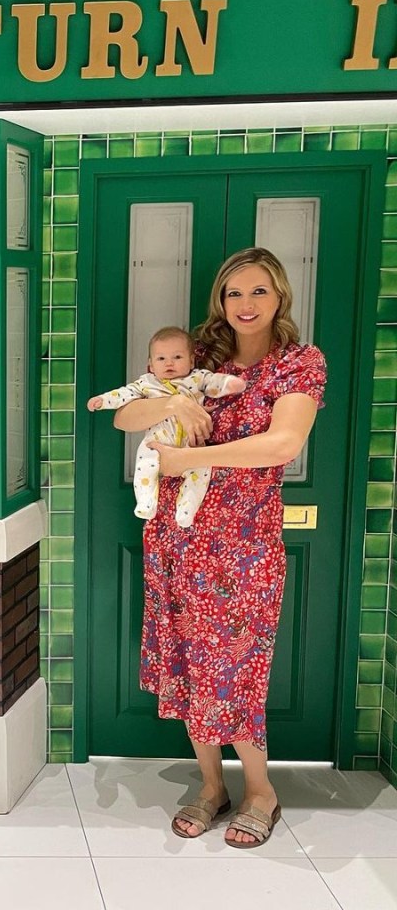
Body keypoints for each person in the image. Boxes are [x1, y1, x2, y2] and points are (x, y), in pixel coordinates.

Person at [111, 247, 326, 848]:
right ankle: (212, 786)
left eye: (259, 291)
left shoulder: (298, 363)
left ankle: (261, 790)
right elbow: (125, 419)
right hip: (177, 539)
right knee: (185, 663)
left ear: (279, 295)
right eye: (234, 293)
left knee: (236, 669)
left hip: (245, 546)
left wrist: (186, 458)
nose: (246, 304)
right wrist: (176, 401)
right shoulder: (198, 354)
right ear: (220, 302)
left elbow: (281, 444)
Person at [87, 326, 245, 527]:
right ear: (150, 365)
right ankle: (146, 502)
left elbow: (214, 382)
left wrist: (229, 384)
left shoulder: (197, 378)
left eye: (177, 357)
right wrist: (103, 400)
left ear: (191, 361)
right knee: (145, 463)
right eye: (161, 359)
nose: (169, 363)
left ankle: (187, 508)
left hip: (192, 444)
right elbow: (123, 396)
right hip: (157, 442)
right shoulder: (147, 384)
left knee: (201, 472)